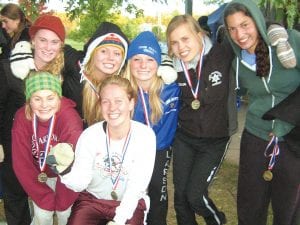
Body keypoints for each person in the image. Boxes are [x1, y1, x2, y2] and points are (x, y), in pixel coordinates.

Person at [223, 1, 300, 225]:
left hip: (293, 137)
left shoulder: (290, 41)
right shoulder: (237, 62)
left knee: (288, 208)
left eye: (245, 24)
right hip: (255, 136)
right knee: (250, 203)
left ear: (257, 21)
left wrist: (283, 123)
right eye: (232, 29)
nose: (240, 34)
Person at [47, 75, 156, 225]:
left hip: (129, 202)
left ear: (131, 103)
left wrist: (119, 220)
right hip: (92, 200)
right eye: (106, 101)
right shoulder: (89, 136)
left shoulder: (145, 136)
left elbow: (137, 186)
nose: (112, 108)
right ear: (100, 105)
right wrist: (65, 172)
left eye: (119, 101)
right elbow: (81, 183)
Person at [166, 14, 237, 225]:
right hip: (185, 139)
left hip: (215, 141)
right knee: (180, 198)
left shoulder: (222, 54)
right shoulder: (172, 70)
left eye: (185, 39)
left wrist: (274, 31)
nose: (181, 47)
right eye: (174, 43)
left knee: (195, 196)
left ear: (199, 34)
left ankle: (217, 220)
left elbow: (250, 33)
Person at [0, 14, 66, 225]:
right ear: (32, 40)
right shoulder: (9, 69)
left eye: (54, 41)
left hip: (48, 146)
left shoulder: (63, 72)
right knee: (16, 195)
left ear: (61, 45)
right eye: (43, 40)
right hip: (12, 143)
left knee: (46, 197)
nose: (48, 46)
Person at [11, 71, 83, 225]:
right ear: (29, 100)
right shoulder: (22, 118)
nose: (44, 105)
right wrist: (44, 198)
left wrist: (62, 202)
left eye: (50, 98)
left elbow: (73, 164)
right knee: (42, 215)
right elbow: (21, 164)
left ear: (59, 98)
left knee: (66, 214)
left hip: (67, 177)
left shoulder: (70, 118)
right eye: (37, 99)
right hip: (39, 175)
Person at [125, 31, 180, 225]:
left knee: (157, 187)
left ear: (159, 62)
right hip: (130, 149)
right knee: (130, 189)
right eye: (137, 59)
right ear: (129, 62)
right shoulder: (124, 89)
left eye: (149, 59)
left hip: (159, 149)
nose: (143, 65)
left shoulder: (171, 88)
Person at [62, 22, 129, 126]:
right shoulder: (75, 65)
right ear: (92, 52)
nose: (110, 58)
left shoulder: (124, 78)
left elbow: (145, 63)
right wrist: (27, 48)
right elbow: (51, 46)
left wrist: (163, 68)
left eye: (117, 53)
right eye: (103, 51)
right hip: (71, 137)